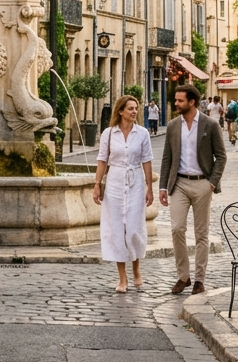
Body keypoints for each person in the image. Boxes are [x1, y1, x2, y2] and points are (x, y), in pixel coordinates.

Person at [158, 84, 227, 294]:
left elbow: (221, 156)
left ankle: (199, 279)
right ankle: (183, 276)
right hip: (178, 183)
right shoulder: (172, 126)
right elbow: (167, 158)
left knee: (201, 234)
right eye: (176, 100)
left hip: (202, 183)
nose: (176, 104)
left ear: (192, 102)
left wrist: (211, 183)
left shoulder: (209, 125)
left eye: (180, 101)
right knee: (177, 228)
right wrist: (162, 186)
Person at [93, 95, 154, 293]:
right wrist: (97, 185)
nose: (134, 111)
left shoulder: (143, 133)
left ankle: (137, 269)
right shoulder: (109, 134)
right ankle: (122, 277)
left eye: (136, 108)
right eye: (130, 108)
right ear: (120, 111)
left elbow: (147, 161)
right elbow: (102, 160)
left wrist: (149, 188)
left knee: (134, 228)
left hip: (135, 180)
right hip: (115, 182)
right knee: (116, 228)